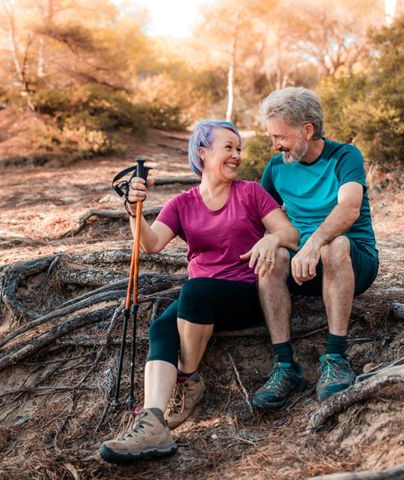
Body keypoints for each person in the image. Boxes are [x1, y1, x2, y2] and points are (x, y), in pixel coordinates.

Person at [99, 120, 298, 463]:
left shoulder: (250, 192)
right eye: (228, 147)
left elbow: (290, 235)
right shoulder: (182, 202)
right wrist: (134, 211)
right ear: (203, 153)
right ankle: (153, 423)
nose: (236, 155)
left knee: (194, 291)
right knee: (161, 325)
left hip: (246, 293)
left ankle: (188, 380)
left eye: (239, 149)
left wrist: (271, 237)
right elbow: (151, 243)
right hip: (200, 301)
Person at [251, 87, 379, 408]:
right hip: (302, 266)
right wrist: (273, 238)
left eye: (280, 136)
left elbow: (349, 208)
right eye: (272, 137)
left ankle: (335, 357)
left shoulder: (344, 156)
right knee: (274, 255)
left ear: (307, 130)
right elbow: (255, 215)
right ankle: (284, 366)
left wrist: (313, 243)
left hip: (352, 260)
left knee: (333, 246)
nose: (275, 144)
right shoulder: (277, 167)